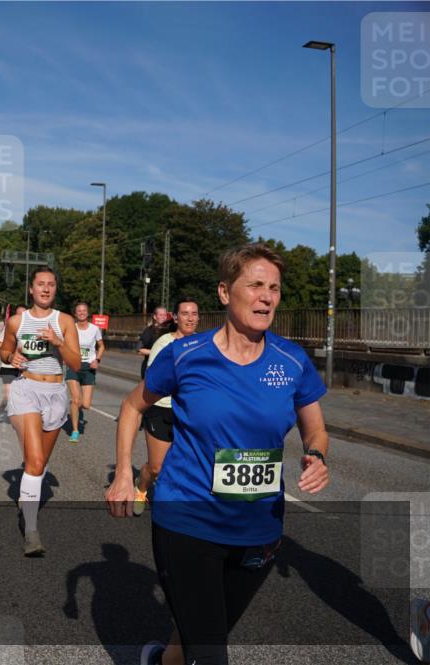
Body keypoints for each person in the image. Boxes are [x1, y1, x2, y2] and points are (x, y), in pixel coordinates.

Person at [105, 244, 330, 665]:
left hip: (258, 528)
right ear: (226, 293)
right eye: (256, 285)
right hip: (188, 520)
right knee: (210, 652)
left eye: (275, 288)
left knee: (207, 629)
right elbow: (133, 405)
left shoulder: (292, 360)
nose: (267, 297)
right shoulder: (186, 355)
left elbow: (315, 427)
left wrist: (316, 454)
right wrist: (123, 474)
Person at [0, 268, 81, 556]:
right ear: (31, 289)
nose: (46, 289)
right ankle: (31, 531)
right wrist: (12, 357)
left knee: (39, 463)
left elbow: (77, 364)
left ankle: (27, 486)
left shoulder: (65, 321)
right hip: (26, 391)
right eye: (40, 284)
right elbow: (4, 352)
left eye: (51, 285)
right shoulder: (17, 321)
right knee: (35, 462)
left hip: (56, 394)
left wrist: (57, 342)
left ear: (55, 289)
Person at [133, 297, 200, 516]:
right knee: (156, 467)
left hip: (189, 411)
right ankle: (141, 487)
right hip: (161, 408)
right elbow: (153, 380)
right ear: (176, 317)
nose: (190, 318)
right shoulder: (164, 343)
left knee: (188, 464)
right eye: (185, 313)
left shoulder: (203, 345)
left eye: (194, 314)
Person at [65, 301, 105, 443]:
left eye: (84, 310)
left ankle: (76, 407)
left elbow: (101, 346)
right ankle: (75, 430)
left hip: (89, 367)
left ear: (88, 313)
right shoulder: (71, 328)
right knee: (76, 400)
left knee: (86, 404)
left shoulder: (94, 329)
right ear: (75, 314)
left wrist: (97, 360)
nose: (81, 313)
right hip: (74, 366)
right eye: (79, 311)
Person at [0, 305, 27, 422]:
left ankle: (20, 415)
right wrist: (11, 351)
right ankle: (5, 406)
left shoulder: (32, 328)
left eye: (24, 314)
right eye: (19, 314)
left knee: (22, 394)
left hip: (24, 367)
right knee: (9, 395)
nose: (21, 317)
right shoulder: (11, 326)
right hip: (8, 365)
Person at [138, 306, 173, 379]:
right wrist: (156, 352)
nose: (163, 317)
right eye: (161, 315)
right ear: (155, 316)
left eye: (165, 315)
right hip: (151, 367)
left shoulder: (170, 331)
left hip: (166, 368)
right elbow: (140, 350)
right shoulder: (148, 331)